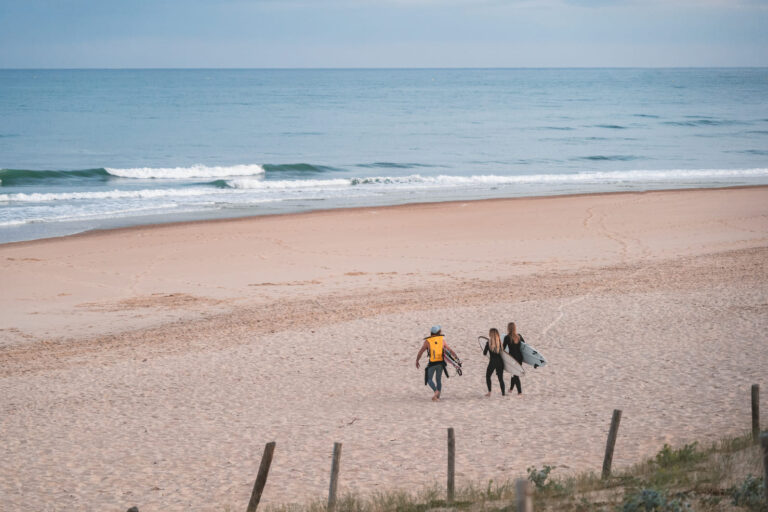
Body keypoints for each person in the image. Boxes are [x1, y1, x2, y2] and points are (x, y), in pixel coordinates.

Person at [416, 326, 457, 401]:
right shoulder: (442, 340)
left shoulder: (428, 341)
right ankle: (437, 397)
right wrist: (456, 357)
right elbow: (449, 349)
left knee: (429, 379)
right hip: (441, 363)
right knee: (438, 379)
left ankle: (436, 391)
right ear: (439, 332)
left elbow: (421, 352)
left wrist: (417, 360)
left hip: (432, 363)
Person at [483, 328, 505, 397]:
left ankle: (489, 392)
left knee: (488, 376)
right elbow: (503, 353)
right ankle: (503, 393)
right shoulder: (500, 342)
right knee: (500, 379)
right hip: (500, 362)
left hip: (492, 362)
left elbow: (484, 353)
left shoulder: (488, 343)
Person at [503, 322, 524, 396]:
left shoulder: (507, 337)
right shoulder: (519, 336)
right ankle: (511, 389)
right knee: (514, 373)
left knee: (515, 374)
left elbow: (503, 348)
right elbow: (524, 347)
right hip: (519, 357)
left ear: (508, 328)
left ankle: (520, 392)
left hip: (512, 358)